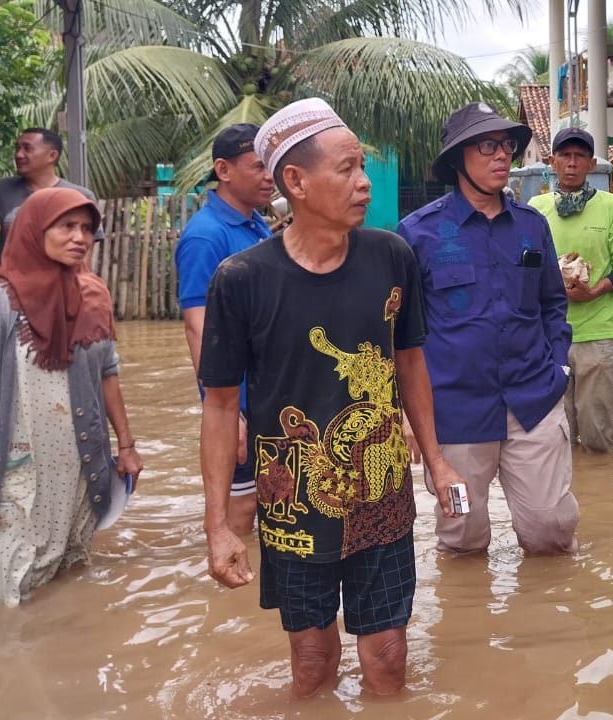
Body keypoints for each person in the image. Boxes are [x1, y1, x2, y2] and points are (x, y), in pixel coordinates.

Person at [197, 98, 464, 698]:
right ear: (296, 181)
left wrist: (438, 460)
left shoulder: (391, 257)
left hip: (381, 491)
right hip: (295, 503)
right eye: (346, 168)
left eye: (362, 166)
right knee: (312, 659)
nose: (364, 181)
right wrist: (218, 525)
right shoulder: (241, 280)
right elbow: (218, 406)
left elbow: (410, 361)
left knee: (390, 654)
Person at [397, 102, 579, 556]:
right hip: (454, 418)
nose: (502, 156)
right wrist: (404, 413)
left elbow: (553, 304)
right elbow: (396, 334)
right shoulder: (417, 235)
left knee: (551, 531)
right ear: (459, 159)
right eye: (487, 146)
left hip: (533, 402)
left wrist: (558, 367)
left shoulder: (532, 228)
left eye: (506, 146)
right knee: (461, 539)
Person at [0, 188, 143, 607]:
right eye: (67, 226)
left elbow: (108, 373)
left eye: (86, 229)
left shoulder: (90, 295)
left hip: (80, 462)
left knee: (70, 572)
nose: (80, 237)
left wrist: (127, 446)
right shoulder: (3, 302)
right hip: (20, 468)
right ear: (34, 230)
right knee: (15, 577)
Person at [175, 124, 275, 536]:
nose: (270, 176)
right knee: (242, 505)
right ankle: (229, 595)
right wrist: (223, 410)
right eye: (258, 167)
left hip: (268, 389)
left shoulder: (256, 226)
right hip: (239, 395)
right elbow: (198, 326)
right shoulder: (205, 236)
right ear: (224, 170)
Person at [529, 128, 613, 454]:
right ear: (552, 162)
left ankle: (602, 491)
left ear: (591, 164)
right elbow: (525, 264)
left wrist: (595, 291)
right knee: (556, 435)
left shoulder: (612, 206)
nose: (572, 163)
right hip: (549, 336)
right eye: (565, 156)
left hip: (597, 336)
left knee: (597, 432)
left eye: (579, 157)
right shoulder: (535, 208)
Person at [0, 128, 104, 262]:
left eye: (27, 149)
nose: (19, 154)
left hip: (60, 282)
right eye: (17, 148)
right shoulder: (1, 189)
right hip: (9, 280)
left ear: (52, 155)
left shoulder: (80, 196)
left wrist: (80, 281)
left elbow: (85, 255)